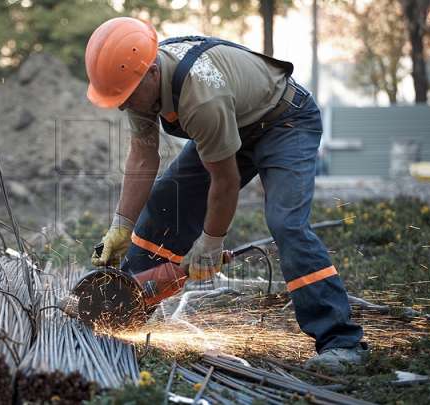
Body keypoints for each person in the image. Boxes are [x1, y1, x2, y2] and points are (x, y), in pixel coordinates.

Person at [85, 17, 368, 373]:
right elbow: (143, 154)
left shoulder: (200, 95)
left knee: (287, 224)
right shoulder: (138, 83)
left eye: (126, 97)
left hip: (285, 122)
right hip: (232, 123)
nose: (124, 106)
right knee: (163, 205)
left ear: (153, 74)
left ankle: (342, 342)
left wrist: (211, 242)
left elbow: (225, 179)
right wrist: (121, 227)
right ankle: (119, 311)